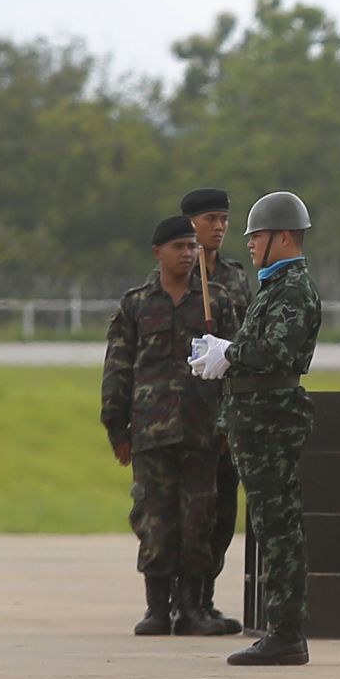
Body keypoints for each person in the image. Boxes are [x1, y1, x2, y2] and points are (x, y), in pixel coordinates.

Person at [191, 192, 323, 665]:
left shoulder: (291, 289)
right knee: (271, 527)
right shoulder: (275, 287)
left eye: (257, 236)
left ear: (283, 237)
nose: (249, 245)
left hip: (271, 423)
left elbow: (275, 353)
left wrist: (230, 353)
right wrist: (226, 354)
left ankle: (287, 632)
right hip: (257, 421)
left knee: (279, 528)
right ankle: (283, 628)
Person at [101, 216, 237, 638]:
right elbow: (118, 368)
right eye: (178, 246)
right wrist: (117, 429)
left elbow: (233, 368)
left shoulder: (216, 302)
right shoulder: (137, 303)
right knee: (154, 519)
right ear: (157, 251)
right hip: (151, 432)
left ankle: (193, 607)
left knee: (199, 518)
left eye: (192, 247)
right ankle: (157, 607)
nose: (187, 254)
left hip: (201, 430)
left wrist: (227, 426)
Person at [181, 187, 252, 635]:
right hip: (184, 413)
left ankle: (204, 600)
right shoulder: (176, 275)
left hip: (226, 412)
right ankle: (178, 602)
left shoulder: (236, 276)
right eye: (211, 219)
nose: (220, 227)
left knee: (222, 514)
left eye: (224, 219)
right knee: (186, 514)